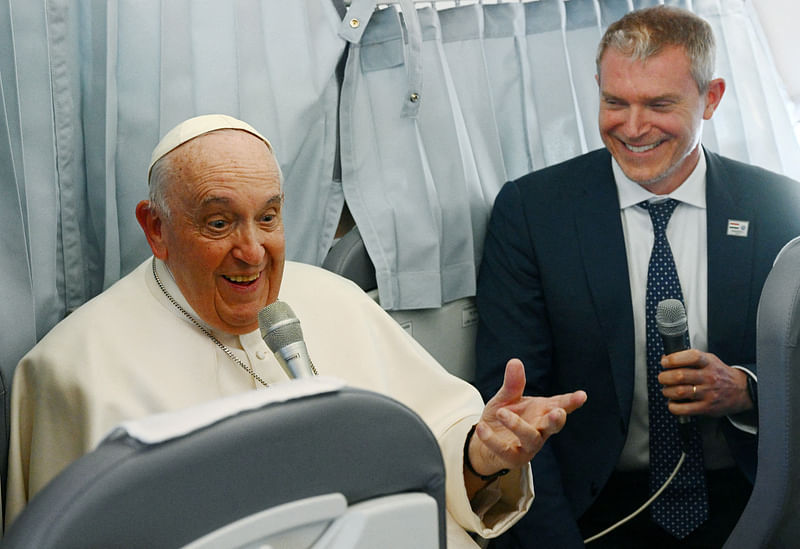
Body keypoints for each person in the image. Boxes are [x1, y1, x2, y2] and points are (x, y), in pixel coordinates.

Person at [4, 114, 586, 546]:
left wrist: (483, 455)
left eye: (268, 217)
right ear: (156, 229)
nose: (251, 252)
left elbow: (430, 455)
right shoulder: (73, 368)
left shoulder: (332, 298)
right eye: (218, 222)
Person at [474, 5, 800, 548]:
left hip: (750, 496)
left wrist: (746, 389)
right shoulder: (533, 212)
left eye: (659, 104)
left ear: (711, 98)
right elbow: (510, 400)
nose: (632, 127)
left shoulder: (779, 207)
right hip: (591, 508)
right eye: (614, 102)